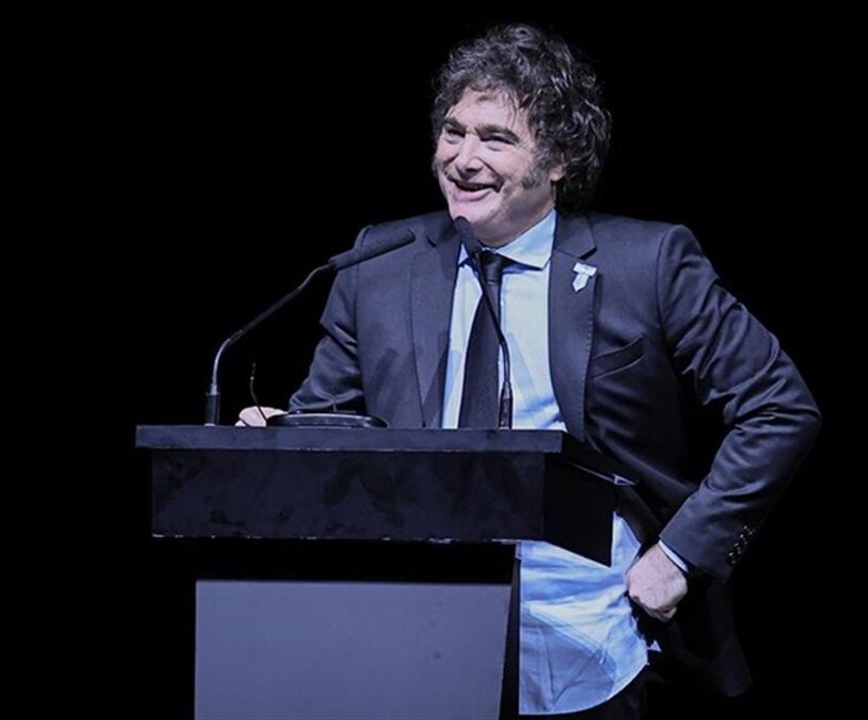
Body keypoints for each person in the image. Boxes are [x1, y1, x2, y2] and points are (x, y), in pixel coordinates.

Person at [239, 23, 819, 719]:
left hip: (593, 633)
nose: (463, 159)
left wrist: (681, 555)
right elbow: (331, 425)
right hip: (411, 624)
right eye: (453, 132)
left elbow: (779, 407)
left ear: (560, 159)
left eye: (496, 139)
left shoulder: (649, 265)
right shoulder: (380, 266)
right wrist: (283, 439)